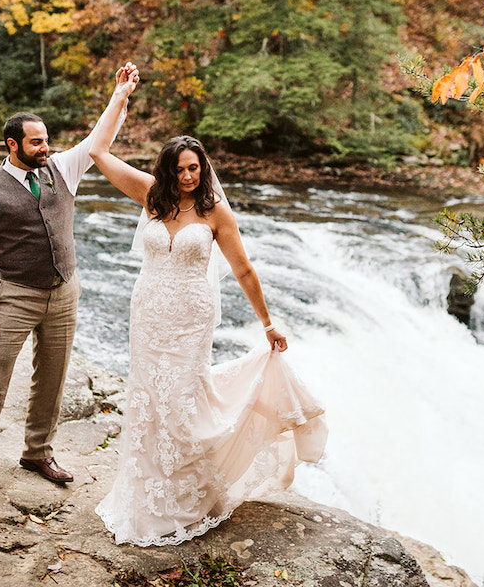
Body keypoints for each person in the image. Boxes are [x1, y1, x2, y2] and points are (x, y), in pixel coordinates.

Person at [89, 133, 327, 546]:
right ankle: (145, 498)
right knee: (148, 401)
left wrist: (268, 324)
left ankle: (188, 497)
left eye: (194, 168)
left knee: (181, 403)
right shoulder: (151, 195)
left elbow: (243, 270)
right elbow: (98, 152)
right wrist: (122, 97)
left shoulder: (215, 210)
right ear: (168, 169)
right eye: (179, 169)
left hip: (190, 320)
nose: (187, 176)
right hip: (147, 315)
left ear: (203, 167)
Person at [0, 62, 140, 501]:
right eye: (37, 142)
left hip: (65, 292)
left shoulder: (62, 169)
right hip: (15, 295)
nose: (45, 147)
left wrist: (120, 95)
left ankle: (38, 452)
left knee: (52, 377)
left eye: (47, 141)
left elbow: (99, 141)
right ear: (12, 144)